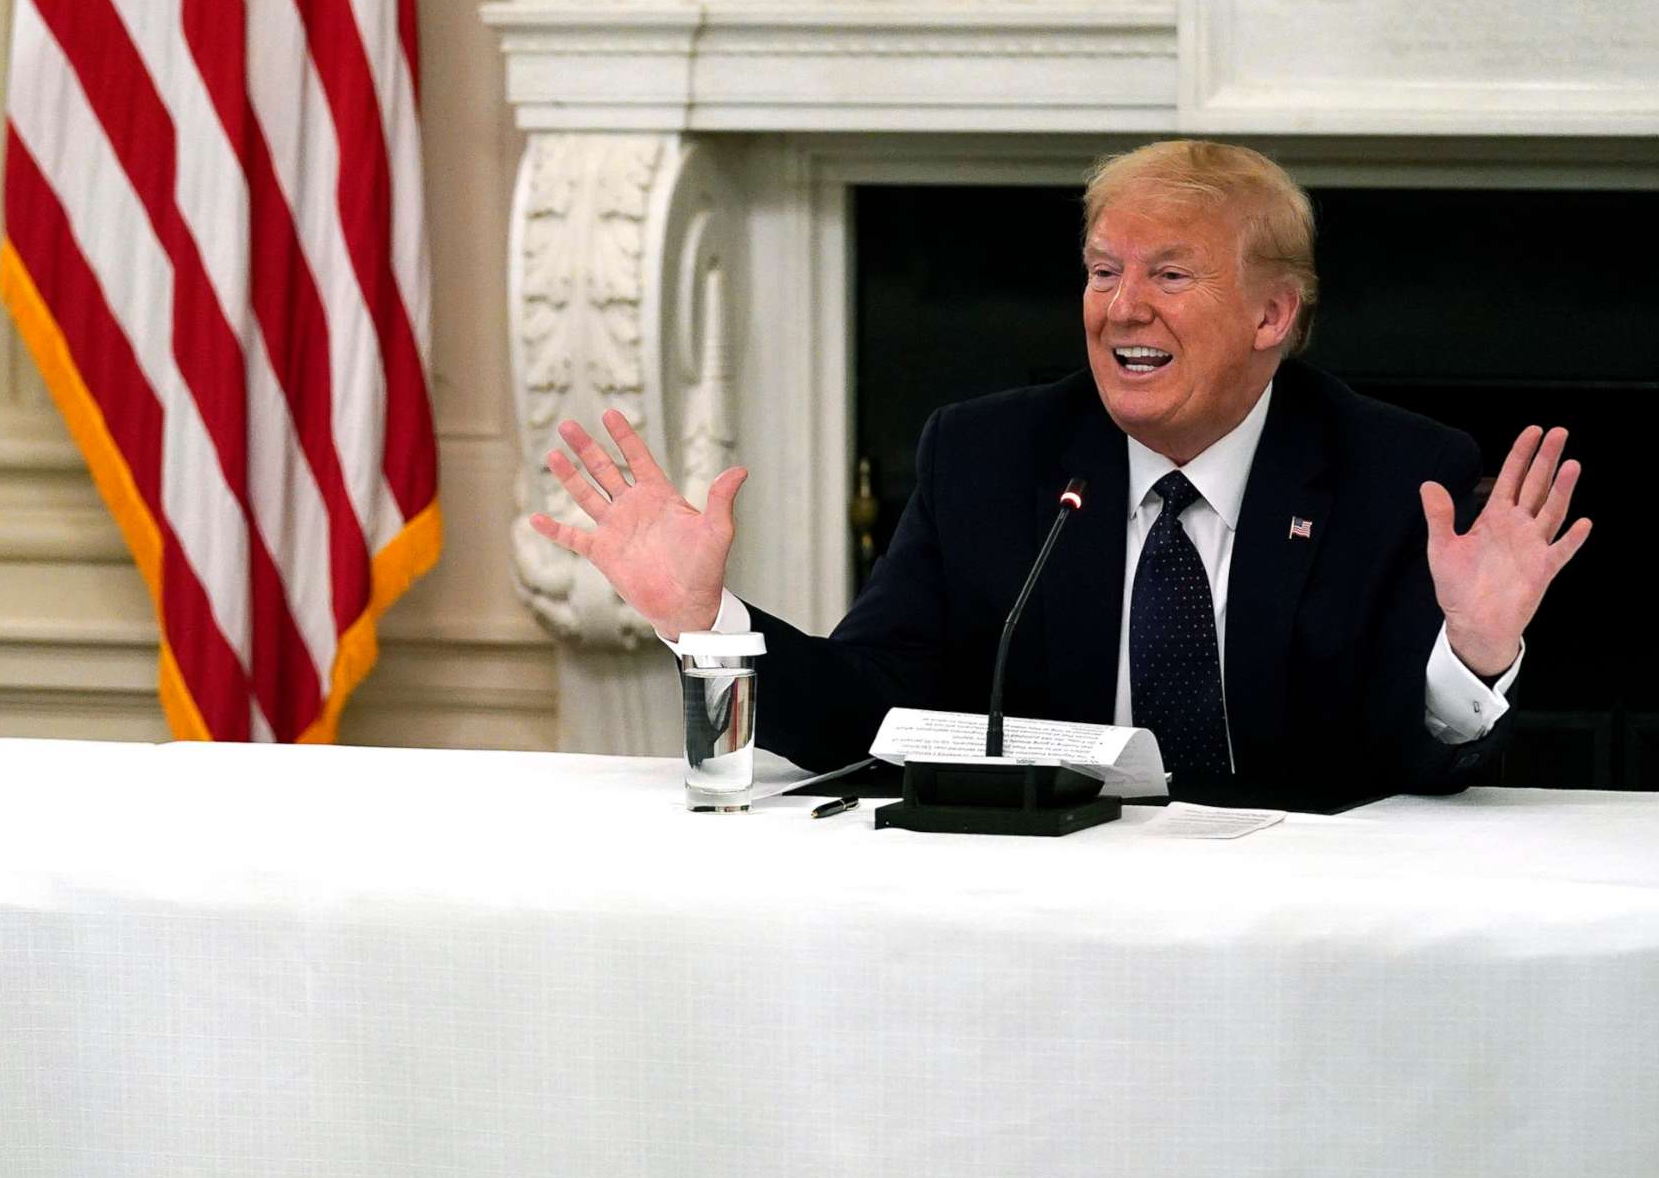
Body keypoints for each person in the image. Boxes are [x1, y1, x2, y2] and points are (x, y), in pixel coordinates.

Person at [530, 140, 1595, 807]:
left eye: (1169, 275)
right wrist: (708, 616)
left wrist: (1474, 653)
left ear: (1273, 315)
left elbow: (1422, 767)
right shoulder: (988, 458)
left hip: (1304, 926)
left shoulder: (1400, 472)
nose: (1120, 308)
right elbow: (870, 714)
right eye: (1101, 271)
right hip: (1052, 915)